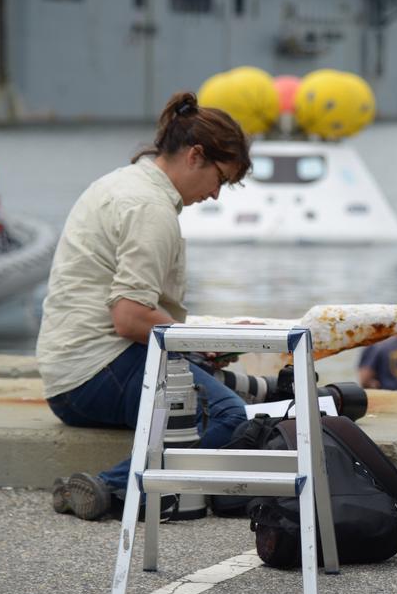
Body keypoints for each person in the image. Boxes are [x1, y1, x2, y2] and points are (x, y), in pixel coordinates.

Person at [39, 91, 253, 521]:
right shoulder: (151, 208)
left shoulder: (121, 182)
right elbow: (131, 317)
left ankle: (115, 486)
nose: (215, 195)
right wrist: (199, 341)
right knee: (229, 416)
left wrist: (197, 346)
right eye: (221, 178)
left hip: (70, 371)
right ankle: (109, 486)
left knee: (213, 387)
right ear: (195, 156)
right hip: (96, 373)